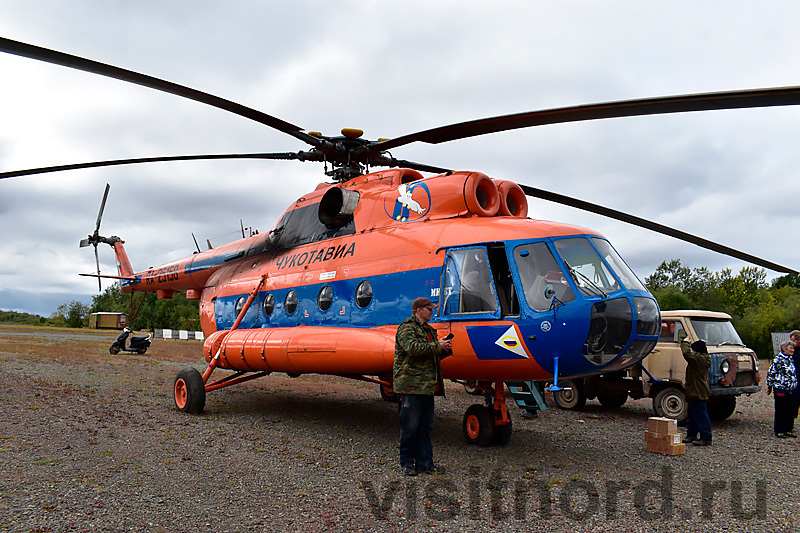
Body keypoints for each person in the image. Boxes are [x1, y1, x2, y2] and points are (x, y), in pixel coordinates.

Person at [393, 296, 452, 476]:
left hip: (426, 386)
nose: (432, 311)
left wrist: (443, 350)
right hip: (410, 386)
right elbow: (412, 348)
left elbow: (428, 354)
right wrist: (436, 346)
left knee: (426, 427)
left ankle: (425, 463)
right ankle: (406, 463)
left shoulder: (429, 330)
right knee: (409, 428)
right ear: (419, 310)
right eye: (429, 308)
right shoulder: (406, 328)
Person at [681, 337, 712, 446]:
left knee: (701, 415)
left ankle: (706, 437)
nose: (692, 352)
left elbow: (686, 354)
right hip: (695, 390)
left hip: (697, 391)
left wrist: (685, 342)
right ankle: (692, 434)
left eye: (694, 350)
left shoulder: (699, 360)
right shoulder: (703, 358)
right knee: (692, 415)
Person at [766, 340, 798, 438]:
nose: (792, 350)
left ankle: (788, 429)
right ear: (784, 349)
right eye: (791, 348)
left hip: (792, 389)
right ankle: (779, 430)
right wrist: (769, 386)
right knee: (781, 410)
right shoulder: (778, 359)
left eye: (793, 348)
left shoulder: (791, 359)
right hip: (781, 389)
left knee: (790, 410)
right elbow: (771, 373)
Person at [789, 330, 800, 420]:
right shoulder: (790, 351)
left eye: (797, 340)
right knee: (792, 402)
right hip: (793, 380)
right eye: (793, 340)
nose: (795, 342)